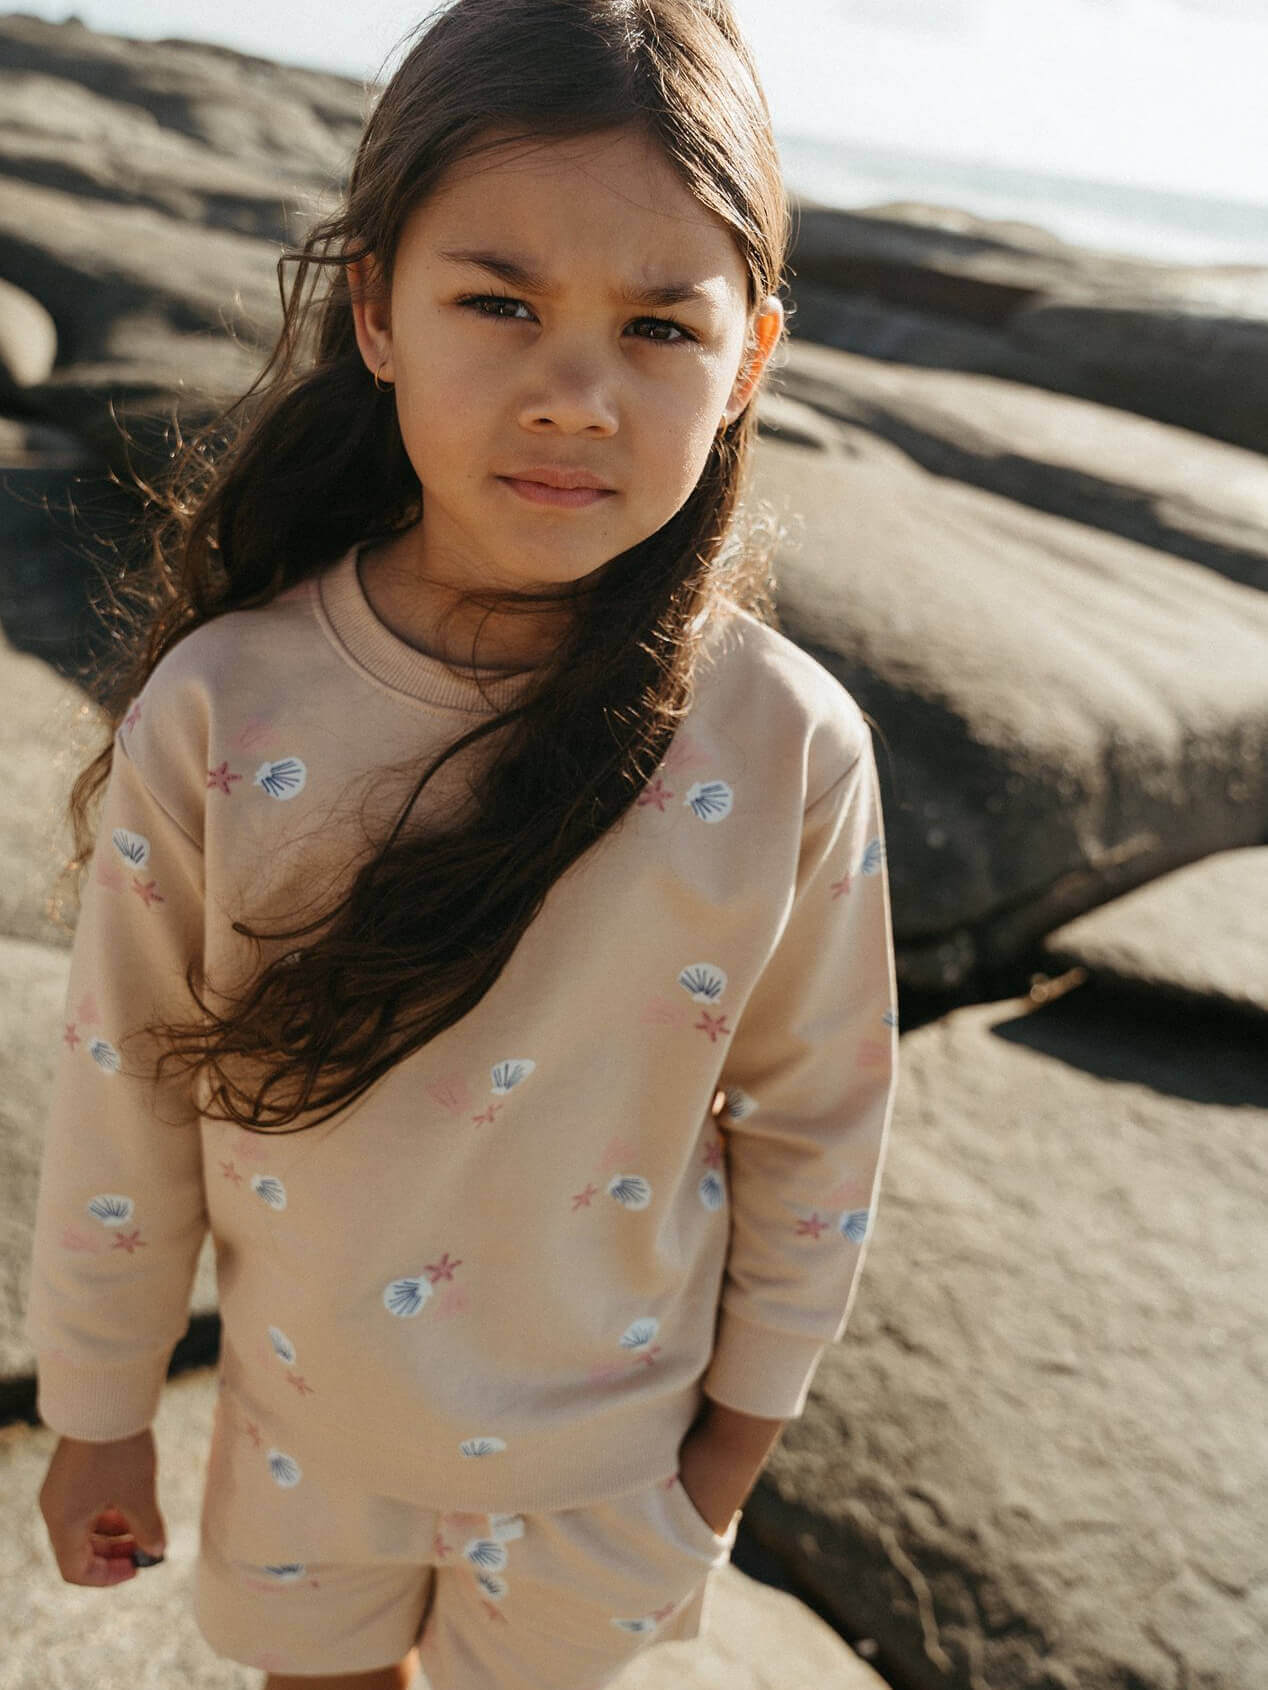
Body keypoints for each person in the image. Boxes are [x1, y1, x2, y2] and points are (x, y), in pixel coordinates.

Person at [25, 0, 900, 1685]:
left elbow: (820, 1126)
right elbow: (124, 1073)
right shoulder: (228, 709)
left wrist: (720, 1465)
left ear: (751, 363)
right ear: (375, 308)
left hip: (609, 1473)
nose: (573, 393)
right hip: (302, 1423)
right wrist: (100, 1411)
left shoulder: (786, 744)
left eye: (659, 325)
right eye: (497, 302)